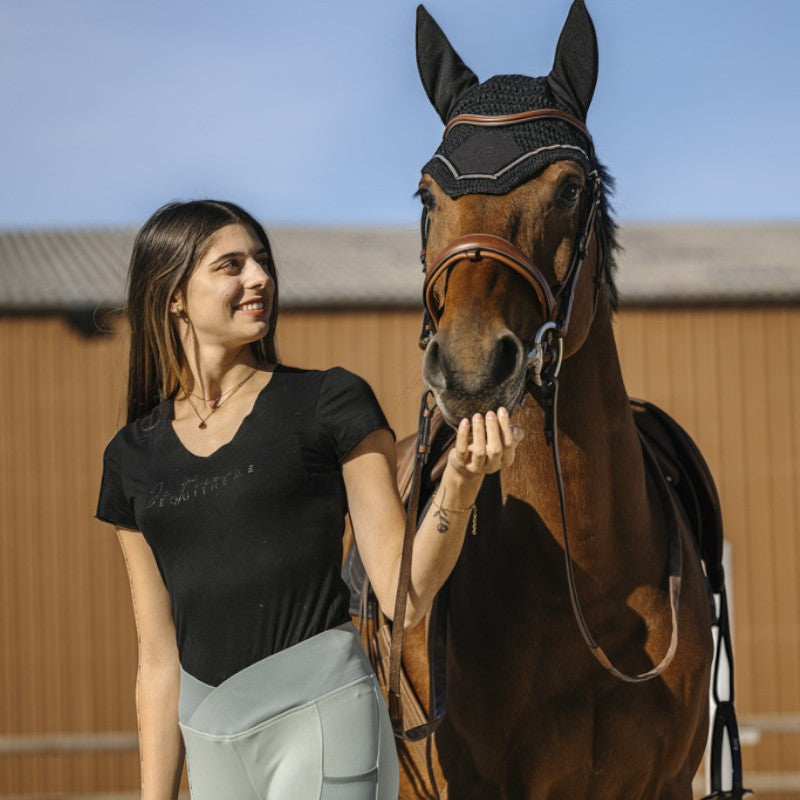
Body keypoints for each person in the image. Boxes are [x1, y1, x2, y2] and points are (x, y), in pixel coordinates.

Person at [96, 199, 523, 800]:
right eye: (231, 265)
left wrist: (461, 481)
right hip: (210, 741)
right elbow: (159, 659)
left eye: (263, 262)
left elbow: (406, 597)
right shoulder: (130, 460)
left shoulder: (331, 403)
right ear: (173, 296)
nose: (260, 279)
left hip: (324, 718)